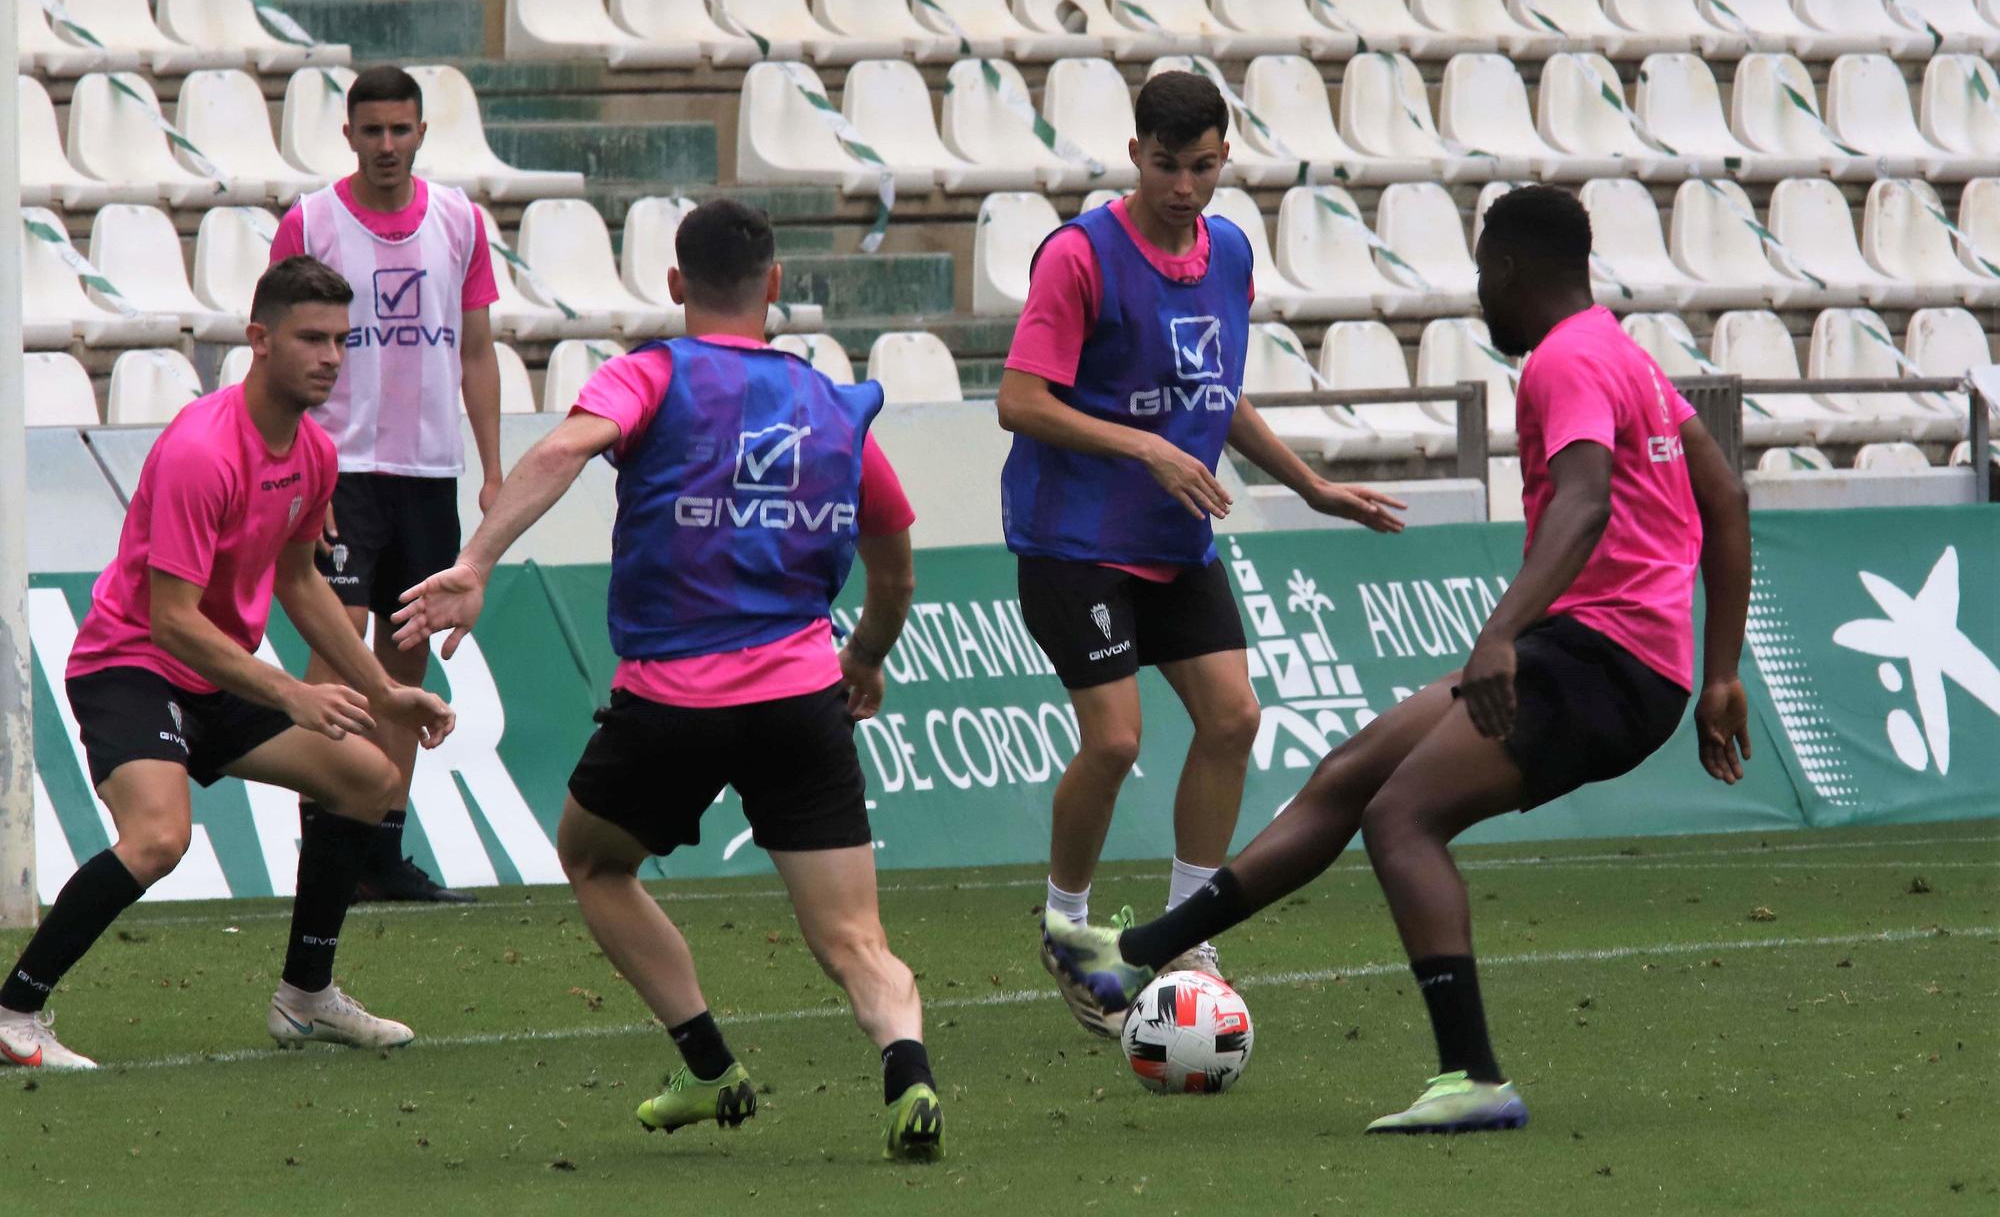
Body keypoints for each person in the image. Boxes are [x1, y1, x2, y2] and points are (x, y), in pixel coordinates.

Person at [1045, 184, 1755, 1133]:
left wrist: (1500, 632)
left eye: (1478, 275)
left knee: (1401, 818)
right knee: (1350, 773)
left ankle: (1473, 1076)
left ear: (1504, 268)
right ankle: (1140, 953)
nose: (1477, 295)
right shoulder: (1624, 354)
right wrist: (1718, 673)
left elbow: (1583, 504)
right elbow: (1728, 500)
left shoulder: (1565, 363)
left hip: (1601, 659)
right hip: (1615, 651)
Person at [390, 199, 945, 1160]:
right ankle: (907, 1068)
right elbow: (894, 567)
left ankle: (707, 1062)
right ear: (775, 287)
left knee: (596, 859)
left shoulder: (650, 374)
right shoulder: (835, 409)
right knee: (857, 939)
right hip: (802, 702)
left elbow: (565, 447)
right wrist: (866, 658)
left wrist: (475, 563)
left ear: (677, 285)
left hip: (672, 703)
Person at [995, 70, 1406, 1035]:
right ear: (1135, 154)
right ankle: (1066, 926)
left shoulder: (1227, 252)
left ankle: (1185, 932)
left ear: (1226, 159)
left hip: (1174, 537)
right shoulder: (1079, 256)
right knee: (1118, 738)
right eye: (1168, 164)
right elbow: (1019, 400)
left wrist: (1311, 487)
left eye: (1204, 166)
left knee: (1234, 719)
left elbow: (1215, 392)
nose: (1185, 186)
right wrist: (1147, 446)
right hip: (1075, 539)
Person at [0, 257, 457, 1071]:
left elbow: (298, 579)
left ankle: (306, 998)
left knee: (367, 777)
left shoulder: (313, 454)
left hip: (221, 675)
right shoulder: (202, 451)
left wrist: (383, 689)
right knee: (158, 838)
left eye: (340, 342)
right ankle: (14, 1011)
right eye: (310, 338)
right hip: (132, 664)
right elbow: (171, 623)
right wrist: (294, 691)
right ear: (259, 340)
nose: (329, 357)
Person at [268, 63, 502, 904]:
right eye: (372, 130)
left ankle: (380, 849)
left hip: (428, 472)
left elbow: (476, 352)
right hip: (339, 470)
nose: (388, 146)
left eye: (401, 129)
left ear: (422, 132)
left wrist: (493, 469)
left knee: (405, 657)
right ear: (348, 134)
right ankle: (322, 849)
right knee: (337, 647)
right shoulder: (311, 221)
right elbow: (277, 351)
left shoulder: (459, 221)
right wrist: (299, 462)